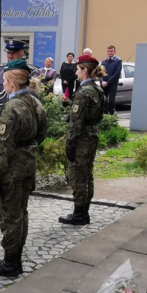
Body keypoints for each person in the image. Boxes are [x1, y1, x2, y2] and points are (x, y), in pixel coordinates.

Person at [0, 60, 47, 277]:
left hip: (11, 169)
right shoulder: (34, 102)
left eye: (4, 80)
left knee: (9, 215)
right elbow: (41, 133)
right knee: (21, 212)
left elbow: (2, 147)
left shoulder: (11, 108)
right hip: (28, 165)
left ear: (11, 82)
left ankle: (10, 263)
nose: (3, 84)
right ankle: (16, 259)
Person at [60, 54, 106, 225]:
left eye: (78, 69)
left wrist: (70, 143)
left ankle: (79, 214)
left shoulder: (83, 92)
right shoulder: (98, 89)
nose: (76, 73)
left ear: (84, 70)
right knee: (87, 174)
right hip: (92, 134)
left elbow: (76, 122)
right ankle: (84, 212)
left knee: (78, 175)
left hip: (82, 138)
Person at [0, 39, 39, 134]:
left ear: (21, 52)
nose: (10, 56)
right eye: (8, 52)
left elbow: (34, 102)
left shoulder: (30, 72)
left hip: (22, 119)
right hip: (1, 118)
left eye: (14, 53)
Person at [100, 46, 121, 115]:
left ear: (115, 52)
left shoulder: (118, 61)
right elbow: (100, 72)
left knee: (111, 101)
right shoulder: (104, 61)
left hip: (112, 84)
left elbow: (117, 73)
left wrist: (108, 82)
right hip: (104, 84)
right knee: (104, 100)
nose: (109, 53)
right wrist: (102, 81)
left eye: (111, 51)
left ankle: (112, 116)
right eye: (108, 51)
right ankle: (105, 116)